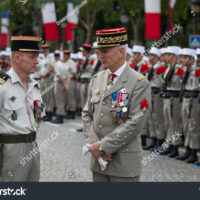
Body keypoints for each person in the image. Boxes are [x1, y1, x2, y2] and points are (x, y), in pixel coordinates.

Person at [82, 28, 151, 182]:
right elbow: (87, 114)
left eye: (105, 51)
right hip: (98, 162)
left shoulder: (139, 83)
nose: (100, 56)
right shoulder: (97, 79)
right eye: (99, 51)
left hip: (123, 164)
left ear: (121, 52)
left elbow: (135, 122)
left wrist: (103, 146)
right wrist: (94, 144)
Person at [0, 36, 43, 182]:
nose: (37, 61)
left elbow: (38, 116)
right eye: (32, 57)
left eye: (37, 57)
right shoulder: (2, 87)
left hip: (33, 145)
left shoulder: (35, 86)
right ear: (17, 58)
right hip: (11, 149)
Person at [176, 48, 200, 163]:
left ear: (191, 59)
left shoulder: (197, 70)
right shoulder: (186, 70)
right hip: (186, 97)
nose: (182, 60)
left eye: (185, 58)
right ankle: (188, 148)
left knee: (193, 125)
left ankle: (194, 151)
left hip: (194, 99)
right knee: (186, 124)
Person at [160, 46, 183, 157]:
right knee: (168, 123)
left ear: (174, 56)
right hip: (168, 97)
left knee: (175, 123)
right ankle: (169, 144)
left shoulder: (178, 68)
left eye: (168, 55)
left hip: (175, 97)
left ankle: (176, 146)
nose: (166, 57)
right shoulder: (168, 68)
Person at [143, 47, 166, 150]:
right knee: (150, 117)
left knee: (158, 118)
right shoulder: (149, 67)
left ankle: (160, 139)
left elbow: (163, 81)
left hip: (157, 93)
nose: (150, 57)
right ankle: (153, 138)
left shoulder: (160, 67)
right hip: (150, 92)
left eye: (153, 56)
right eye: (150, 55)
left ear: (157, 57)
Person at [52, 51, 70, 124]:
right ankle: (60, 116)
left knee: (59, 100)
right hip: (64, 82)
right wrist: (66, 85)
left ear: (55, 57)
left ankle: (60, 117)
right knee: (62, 100)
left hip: (59, 83)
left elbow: (59, 76)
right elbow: (68, 76)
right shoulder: (64, 64)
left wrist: (63, 84)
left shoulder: (56, 65)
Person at [39, 44, 55, 121]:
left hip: (48, 78)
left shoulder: (50, 58)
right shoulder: (43, 59)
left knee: (49, 96)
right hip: (42, 78)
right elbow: (42, 68)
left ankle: (50, 113)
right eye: (43, 50)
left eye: (45, 50)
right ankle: (45, 113)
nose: (44, 52)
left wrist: (47, 72)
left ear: (48, 50)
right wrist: (40, 73)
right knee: (43, 96)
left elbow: (53, 67)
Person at [63, 50, 77, 120]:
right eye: (63, 55)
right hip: (65, 81)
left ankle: (72, 112)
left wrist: (74, 80)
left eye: (65, 55)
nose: (64, 57)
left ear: (68, 56)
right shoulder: (64, 63)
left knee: (71, 97)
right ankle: (68, 111)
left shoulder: (71, 63)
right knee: (67, 97)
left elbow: (74, 73)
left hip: (70, 80)